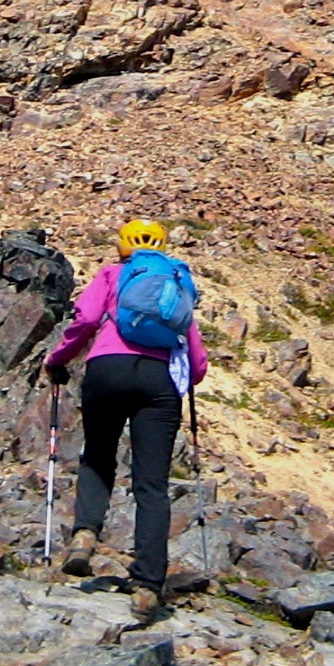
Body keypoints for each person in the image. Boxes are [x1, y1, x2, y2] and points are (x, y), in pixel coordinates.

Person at [42, 218, 208, 623]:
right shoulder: (178, 283)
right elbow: (197, 359)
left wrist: (57, 359)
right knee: (152, 484)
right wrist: (183, 380)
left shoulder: (113, 274)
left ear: (121, 247)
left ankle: (84, 535)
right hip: (160, 382)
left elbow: (84, 320)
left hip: (108, 368)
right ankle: (148, 587)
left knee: (98, 455)